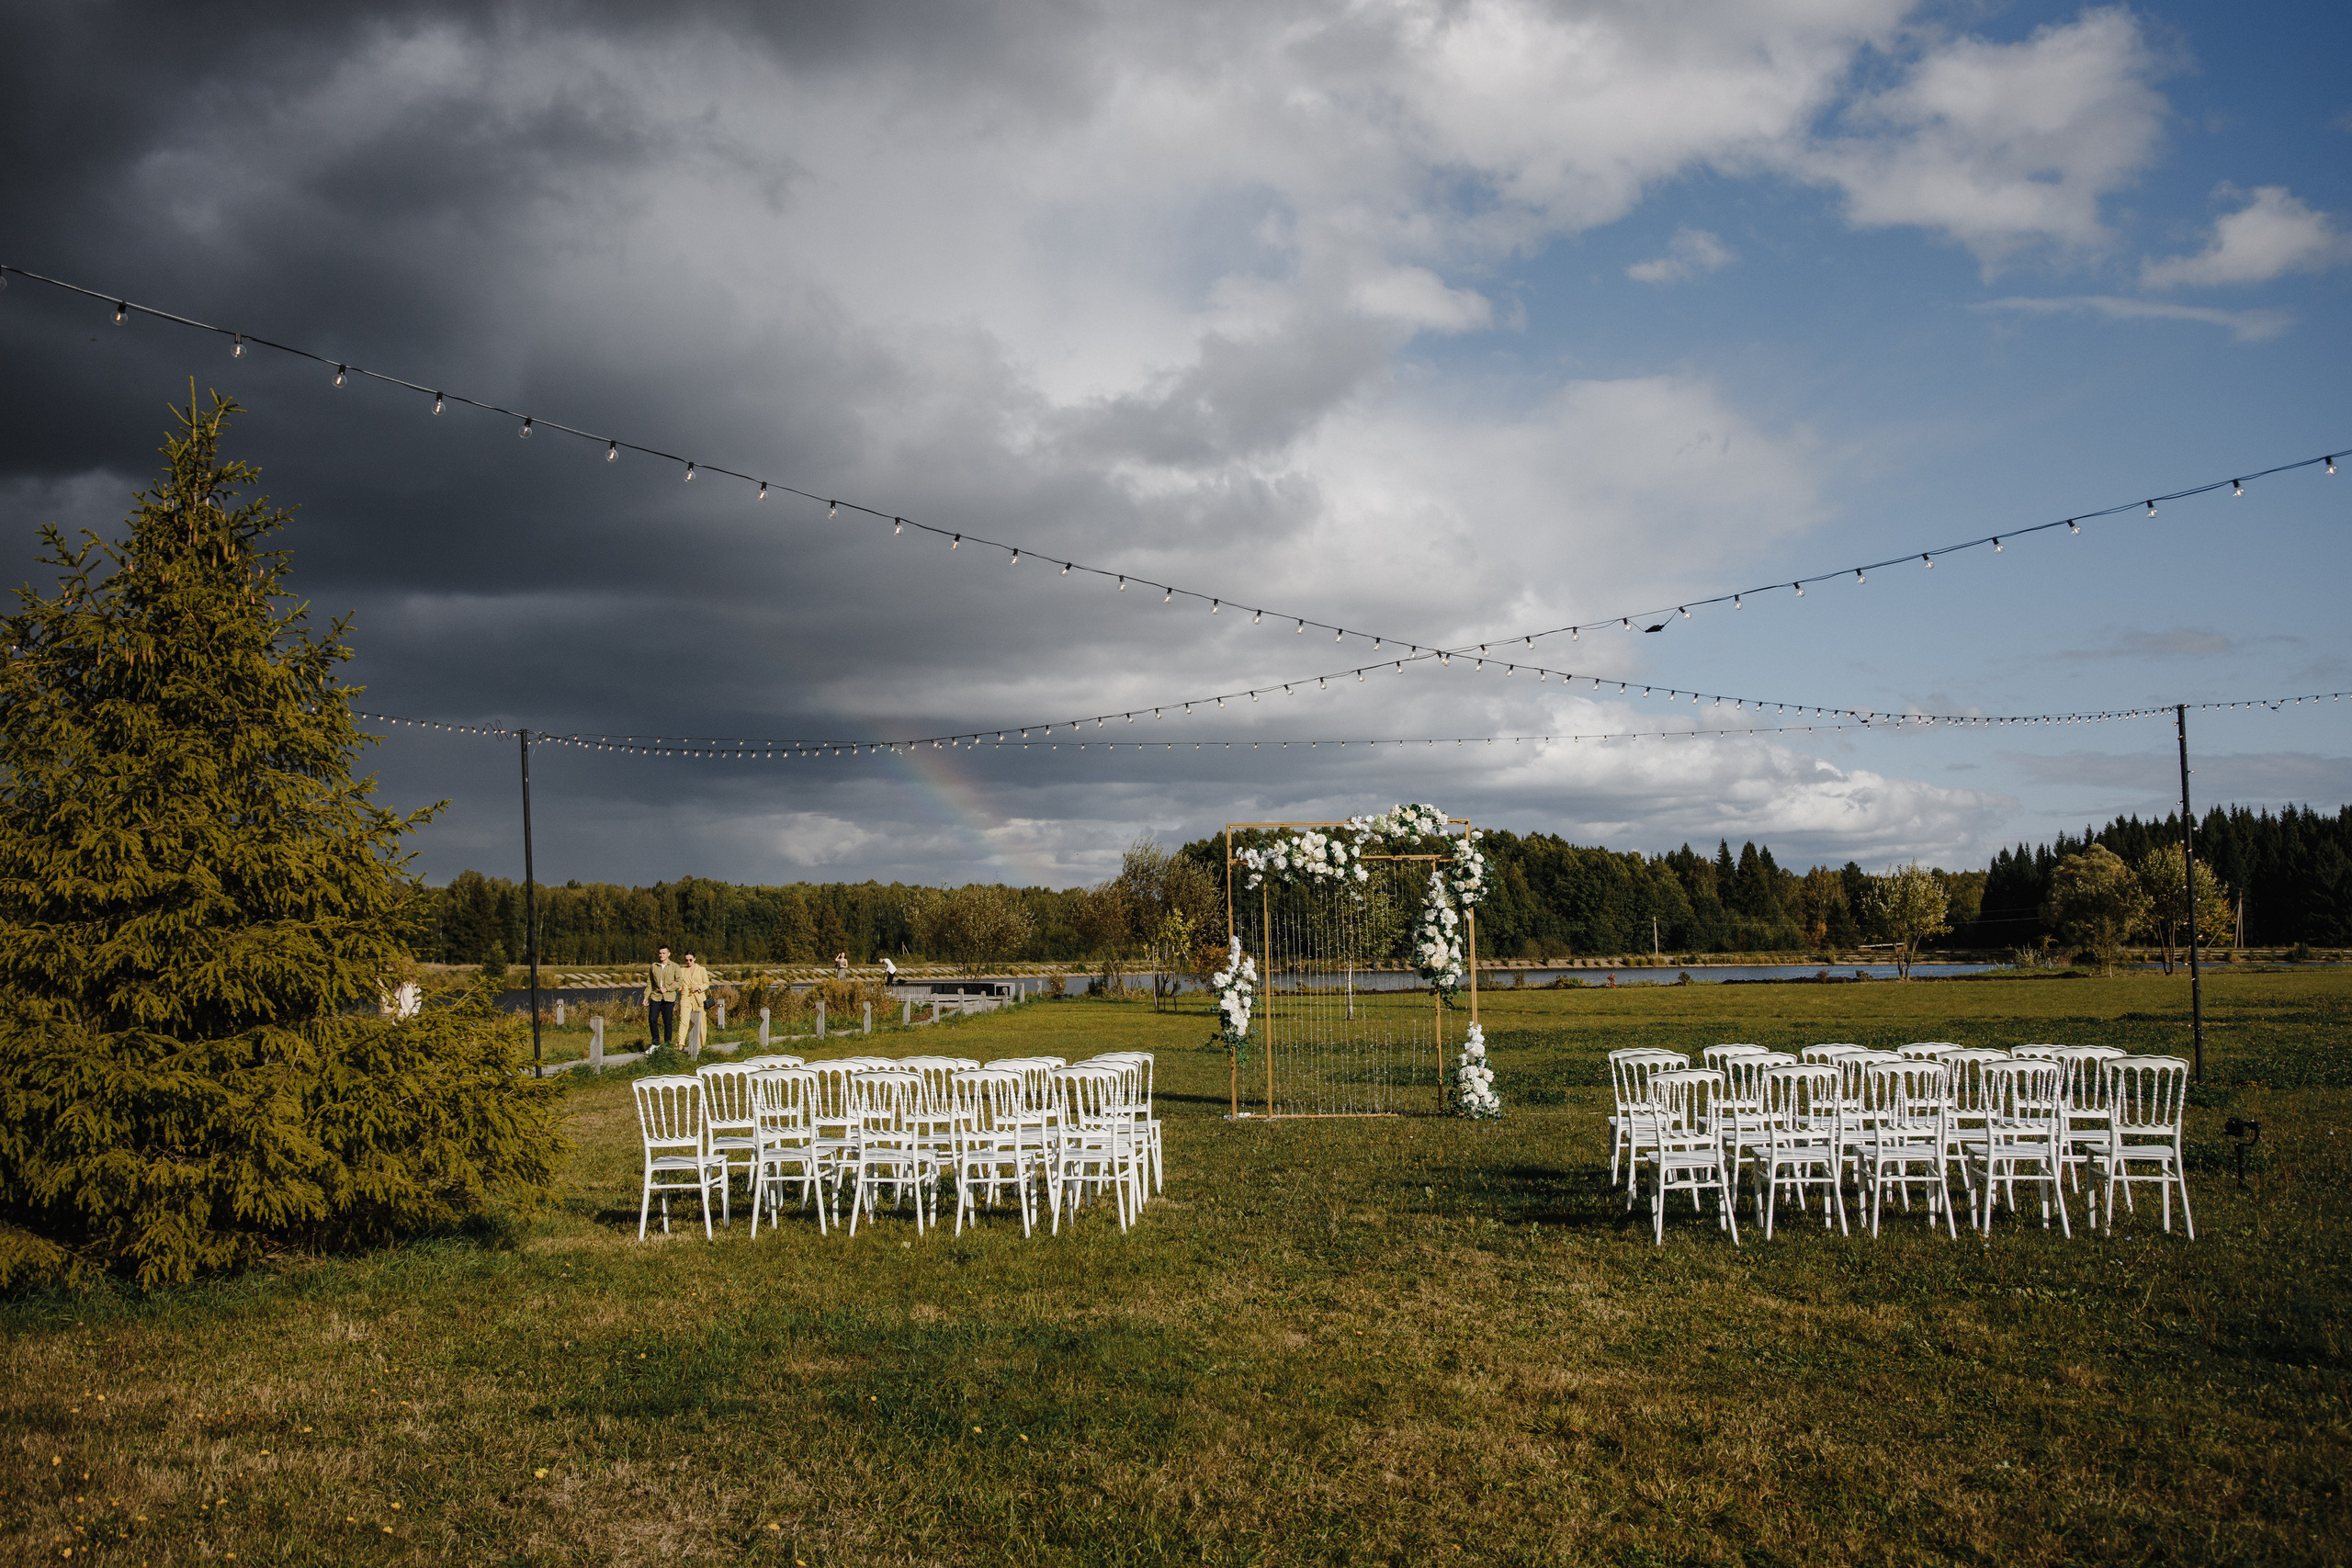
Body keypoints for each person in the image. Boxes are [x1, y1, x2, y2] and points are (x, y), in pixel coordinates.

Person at [644, 945, 684, 1051]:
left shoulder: (675, 966)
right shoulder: (654, 966)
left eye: (664, 953)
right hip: (655, 997)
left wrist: (668, 988)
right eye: (660, 953)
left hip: (669, 998)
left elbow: (680, 982)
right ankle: (655, 1043)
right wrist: (645, 997)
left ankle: (667, 1046)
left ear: (668, 954)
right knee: (652, 1019)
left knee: (667, 1022)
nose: (661, 955)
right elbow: (650, 983)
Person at [677, 952, 714, 1056]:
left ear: (695, 959)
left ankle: (701, 1045)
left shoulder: (701, 970)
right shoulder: (682, 970)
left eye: (690, 960)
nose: (688, 962)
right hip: (686, 997)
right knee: (683, 1020)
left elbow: (706, 984)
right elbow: (680, 984)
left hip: (698, 998)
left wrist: (699, 987)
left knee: (701, 1021)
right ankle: (680, 1044)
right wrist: (675, 986)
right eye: (686, 960)